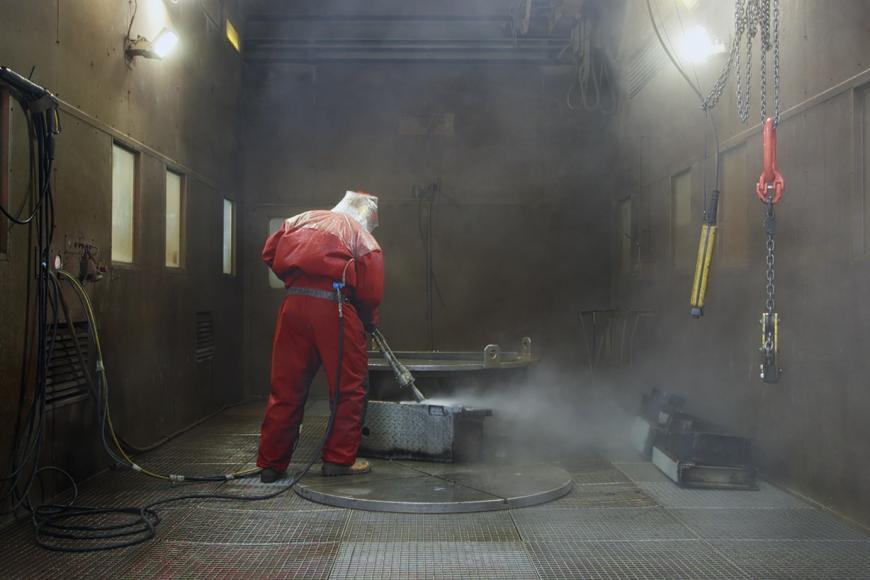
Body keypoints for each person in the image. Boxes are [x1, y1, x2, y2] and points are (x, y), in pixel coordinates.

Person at [257, 191, 384, 483]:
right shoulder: (362, 237)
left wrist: (298, 280)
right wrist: (368, 322)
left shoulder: (300, 220)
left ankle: (271, 464)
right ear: (367, 217)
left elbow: (269, 253)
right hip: (335, 309)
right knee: (348, 389)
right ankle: (338, 461)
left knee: (286, 387)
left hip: (293, 307)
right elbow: (371, 292)